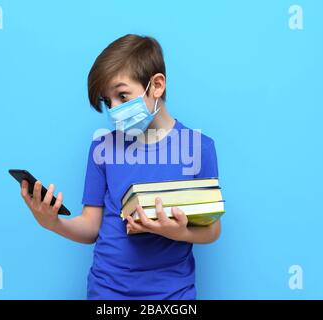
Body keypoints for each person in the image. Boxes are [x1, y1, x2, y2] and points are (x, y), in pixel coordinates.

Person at [20, 34, 221, 299]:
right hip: (107, 292)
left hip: (173, 294)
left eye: (123, 96)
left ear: (156, 85)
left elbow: (212, 230)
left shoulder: (199, 148)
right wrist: (53, 223)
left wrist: (178, 231)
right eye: (108, 101)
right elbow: (91, 227)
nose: (114, 109)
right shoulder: (102, 149)